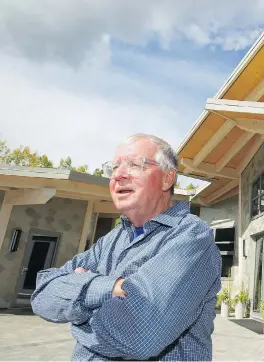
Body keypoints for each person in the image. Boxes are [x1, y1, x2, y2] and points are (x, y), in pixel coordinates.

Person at [31, 134, 222, 361]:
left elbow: (139, 334)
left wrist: (76, 310)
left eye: (135, 164)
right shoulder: (111, 240)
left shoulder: (191, 236)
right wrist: (108, 288)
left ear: (167, 179)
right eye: (114, 167)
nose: (119, 175)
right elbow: (42, 293)